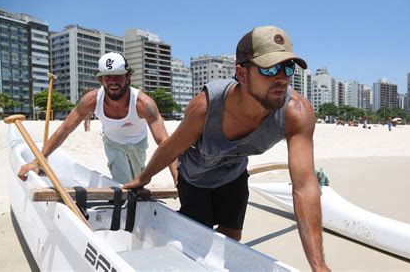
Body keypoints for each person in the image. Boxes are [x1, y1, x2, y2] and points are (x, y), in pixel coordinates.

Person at [123, 26, 329, 270]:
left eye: (287, 68)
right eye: (270, 69)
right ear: (241, 74)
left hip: (234, 175)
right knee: (197, 248)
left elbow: (304, 186)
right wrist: (142, 178)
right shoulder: (206, 107)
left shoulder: (297, 113)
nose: (281, 78)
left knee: (230, 242)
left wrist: (319, 266)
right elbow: (171, 148)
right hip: (195, 179)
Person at [18, 52, 178, 184]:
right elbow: (64, 130)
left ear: (128, 76)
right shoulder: (91, 100)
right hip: (112, 143)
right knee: (123, 182)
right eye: (107, 77)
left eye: (118, 76)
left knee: (139, 179)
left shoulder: (144, 104)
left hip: (138, 142)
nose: (113, 81)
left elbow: (166, 143)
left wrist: (178, 179)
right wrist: (37, 162)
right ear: (100, 79)